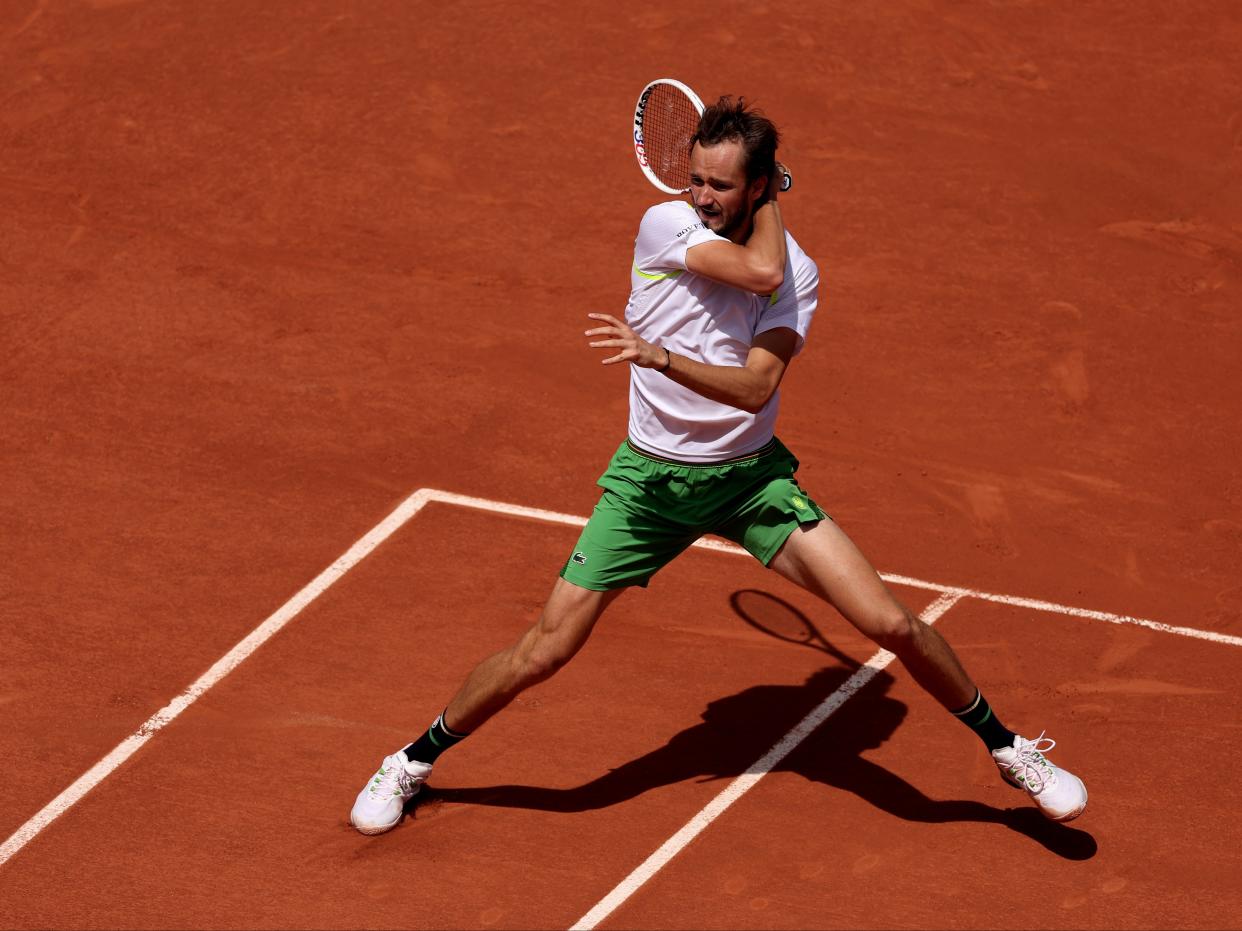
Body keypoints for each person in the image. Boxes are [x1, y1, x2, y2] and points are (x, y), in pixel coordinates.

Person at [350, 96, 1087, 836]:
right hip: (647, 487)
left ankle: (1009, 747)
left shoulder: (795, 273)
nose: (700, 196)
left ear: (759, 186)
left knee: (891, 621)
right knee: (545, 651)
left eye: (721, 184)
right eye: (694, 177)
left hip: (749, 483)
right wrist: (765, 196)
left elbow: (757, 384)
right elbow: (755, 264)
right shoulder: (665, 223)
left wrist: (660, 356)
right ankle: (413, 758)